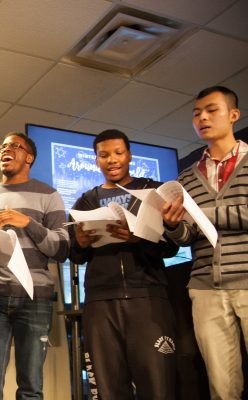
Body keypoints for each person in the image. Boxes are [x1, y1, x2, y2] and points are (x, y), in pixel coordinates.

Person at [69, 129, 179, 399]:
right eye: (104, 155)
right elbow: (75, 254)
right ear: (96, 161)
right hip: (100, 301)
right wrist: (80, 243)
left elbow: (171, 246)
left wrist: (138, 237)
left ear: (129, 155)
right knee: (108, 388)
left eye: (118, 153)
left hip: (148, 297)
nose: (112, 160)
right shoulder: (86, 200)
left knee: (158, 383)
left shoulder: (151, 191)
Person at [161, 86, 247, 399]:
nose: (202, 117)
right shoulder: (185, 177)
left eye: (211, 110)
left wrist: (204, 213)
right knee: (222, 386)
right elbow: (187, 234)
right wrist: (172, 224)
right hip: (205, 286)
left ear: (234, 115)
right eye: (197, 113)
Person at [0, 132, 70, 400]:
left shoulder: (49, 195)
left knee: (30, 385)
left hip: (35, 296)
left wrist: (28, 223)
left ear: (29, 157)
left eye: (14, 146)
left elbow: (61, 249)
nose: (6, 149)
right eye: (2, 146)